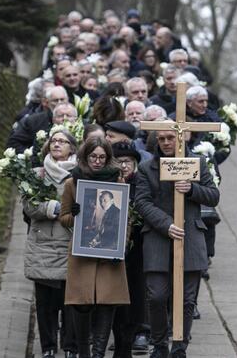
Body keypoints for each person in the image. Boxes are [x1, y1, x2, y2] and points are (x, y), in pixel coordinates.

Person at [134, 125, 220, 358]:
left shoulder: (197, 163)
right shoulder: (146, 168)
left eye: (170, 137)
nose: (166, 142)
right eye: (161, 139)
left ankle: (180, 347)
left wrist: (192, 189)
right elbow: (141, 202)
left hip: (190, 237)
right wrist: (166, 224)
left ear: (180, 138)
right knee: (157, 295)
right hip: (158, 238)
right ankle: (160, 344)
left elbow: (213, 195)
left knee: (187, 300)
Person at [60, 138, 130, 358]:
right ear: (85, 157)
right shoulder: (72, 183)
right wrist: (75, 215)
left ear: (108, 159)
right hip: (83, 254)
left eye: (102, 157)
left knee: (107, 303)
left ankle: (98, 353)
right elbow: (63, 218)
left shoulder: (118, 183)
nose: (97, 161)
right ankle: (83, 351)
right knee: (81, 303)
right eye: (93, 157)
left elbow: (126, 219)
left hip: (109, 255)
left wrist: (121, 245)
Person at [24, 129, 79, 358]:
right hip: (43, 244)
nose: (57, 144)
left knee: (70, 301)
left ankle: (70, 346)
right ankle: (47, 346)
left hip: (69, 242)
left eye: (62, 141)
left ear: (72, 148)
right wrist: (51, 208)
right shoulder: (36, 174)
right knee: (45, 301)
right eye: (53, 141)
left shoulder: (80, 174)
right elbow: (28, 206)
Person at [110, 141, 149, 357]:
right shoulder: (108, 183)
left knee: (135, 295)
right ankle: (117, 340)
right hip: (113, 251)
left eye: (127, 162)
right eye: (119, 161)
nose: (123, 166)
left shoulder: (142, 183)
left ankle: (130, 337)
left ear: (134, 163)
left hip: (137, 251)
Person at [7, 87, 69, 153]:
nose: (59, 103)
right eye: (55, 100)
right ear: (47, 102)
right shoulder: (33, 121)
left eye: (62, 99)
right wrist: (32, 155)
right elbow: (14, 142)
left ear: (67, 100)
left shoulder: (75, 118)